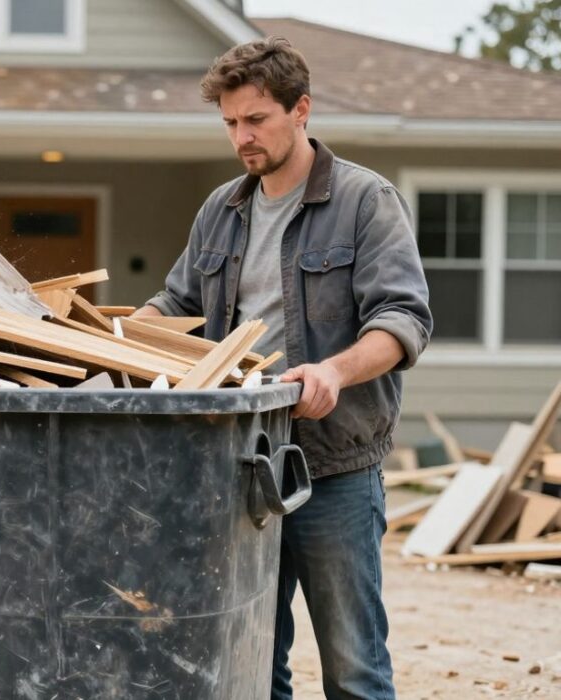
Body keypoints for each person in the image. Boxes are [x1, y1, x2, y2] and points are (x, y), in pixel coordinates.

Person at [133, 37, 432, 699]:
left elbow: (403, 320)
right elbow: (178, 304)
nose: (241, 136)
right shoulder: (222, 209)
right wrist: (112, 335)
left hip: (332, 468)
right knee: (249, 667)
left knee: (354, 669)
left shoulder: (364, 201)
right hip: (238, 466)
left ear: (301, 110)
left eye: (256, 119)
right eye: (230, 123)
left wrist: (332, 372)